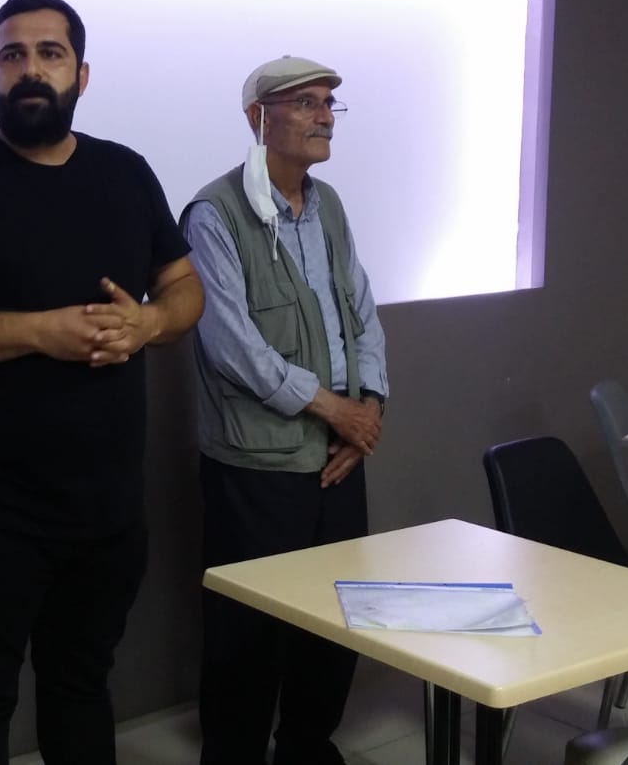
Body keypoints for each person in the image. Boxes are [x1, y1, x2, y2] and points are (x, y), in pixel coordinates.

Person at [0, 0, 205, 765]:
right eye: (12, 55)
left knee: (82, 682)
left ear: (81, 75)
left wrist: (150, 323)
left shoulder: (126, 174)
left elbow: (185, 288)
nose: (31, 69)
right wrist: (39, 331)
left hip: (108, 499)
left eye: (50, 54)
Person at [181, 55, 390, 765]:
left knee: (335, 619)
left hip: (338, 455)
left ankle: (306, 747)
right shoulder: (214, 214)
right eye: (304, 103)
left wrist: (368, 411)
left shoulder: (329, 206)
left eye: (329, 103)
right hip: (256, 463)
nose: (323, 116)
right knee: (247, 631)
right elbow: (232, 348)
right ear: (257, 118)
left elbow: (363, 313)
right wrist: (336, 410)